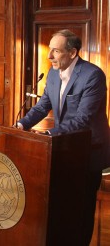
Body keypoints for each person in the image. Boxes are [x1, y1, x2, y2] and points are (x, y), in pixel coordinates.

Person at [16, 29, 109, 244]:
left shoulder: (93, 75)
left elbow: (82, 119)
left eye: (56, 51)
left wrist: (48, 134)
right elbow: (42, 108)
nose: (49, 56)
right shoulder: (52, 73)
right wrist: (21, 125)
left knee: (83, 208)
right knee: (63, 204)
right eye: (50, 49)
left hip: (89, 152)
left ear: (73, 52)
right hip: (63, 149)